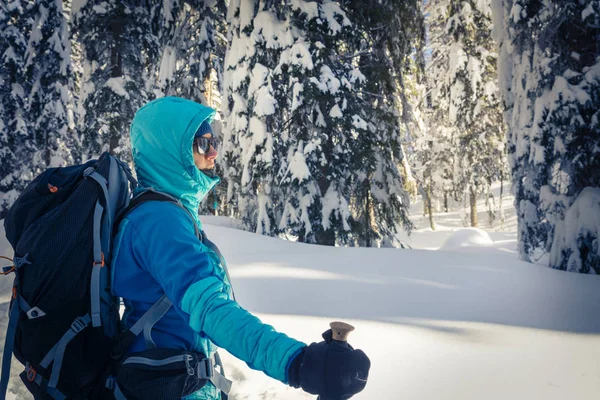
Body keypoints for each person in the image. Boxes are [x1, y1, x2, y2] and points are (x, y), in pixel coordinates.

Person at [111, 96, 370, 400]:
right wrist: (297, 363)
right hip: (164, 387)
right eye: (202, 143)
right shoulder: (160, 222)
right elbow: (210, 309)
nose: (214, 151)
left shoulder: (169, 213)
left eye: (213, 139)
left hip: (175, 381)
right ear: (169, 150)